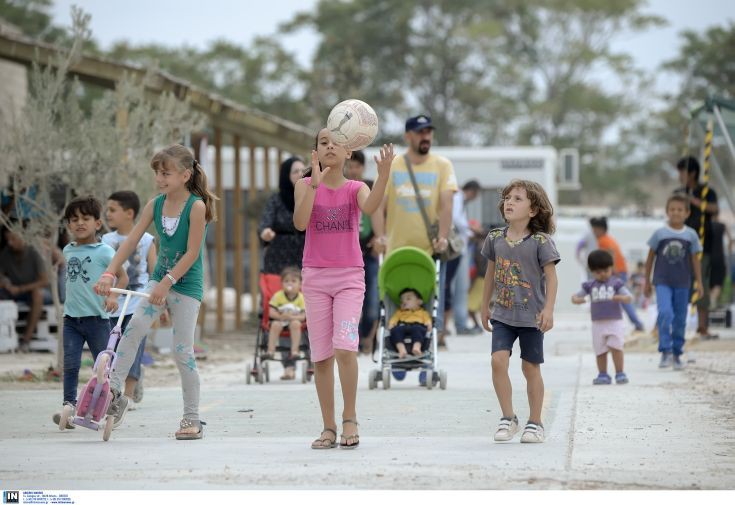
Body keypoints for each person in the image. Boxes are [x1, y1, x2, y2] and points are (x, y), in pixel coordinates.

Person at [95, 144, 217, 440]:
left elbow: (192, 253)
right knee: (134, 327)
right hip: (159, 279)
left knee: (182, 351)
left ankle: (191, 418)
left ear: (185, 175)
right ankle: (114, 393)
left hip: (185, 286)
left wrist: (168, 282)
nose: (160, 178)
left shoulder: (196, 206)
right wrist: (110, 271)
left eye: (166, 173)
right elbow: (130, 241)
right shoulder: (155, 204)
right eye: (157, 173)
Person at [293, 128, 394, 450]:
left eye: (336, 143)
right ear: (316, 152)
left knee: (345, 348)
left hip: (350, 277)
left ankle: (350, 417)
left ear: (349, 153)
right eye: (323, 143)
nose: (329, 147)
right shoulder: (303, 185)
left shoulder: (356, 188)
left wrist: (384, 173)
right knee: (321, 358)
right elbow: (300, 222)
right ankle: (328, 426)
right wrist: (313, 185)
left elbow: (371, 207)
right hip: (315, 278)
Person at [480, 179, 560, 444]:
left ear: (533, 210)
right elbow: (490, 275)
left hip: (532, 317)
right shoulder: (495, 238)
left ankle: (535, 423)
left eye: (517, 199)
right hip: (503, 314)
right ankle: (508, 417)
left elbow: (552, 278)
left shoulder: (541, 241)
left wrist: (548, 310)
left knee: (530, 368)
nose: (509, 203)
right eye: (507, 198)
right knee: (497, 361)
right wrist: (483, 307)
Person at [379, 115, 458, 347]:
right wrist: (380, 236)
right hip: (396, 251)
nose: (426, 136)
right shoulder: (394, 165)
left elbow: (447, 204)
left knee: (432, 304)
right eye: (420, 132)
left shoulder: (442, 165)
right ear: (408, 136)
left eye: (428, 132)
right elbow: (378, 205)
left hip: (429, 251)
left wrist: (442, 237)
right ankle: (395, 350)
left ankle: (428, 350)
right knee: (393, 305)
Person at [52, 196, 128, 429]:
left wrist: (113, 296)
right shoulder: (67, 250)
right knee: (71, 364)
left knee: (104, 368)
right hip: (71, 320)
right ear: (68, 225)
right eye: (74, 220)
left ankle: (116, 402)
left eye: (86, 218)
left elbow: (123, 277)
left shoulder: (105, 251)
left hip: (98, 321)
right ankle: (69, 405)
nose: (79, 223)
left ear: (98, 223)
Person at [103, 190, 157, 408]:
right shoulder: (106, 240)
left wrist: (158, 305)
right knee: (112, 347)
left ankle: (129, 394)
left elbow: (154, 272)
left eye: (112, 210)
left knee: (133, 343)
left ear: (129, 213)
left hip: (138, 300)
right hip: (114, 302)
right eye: (107, 209)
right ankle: (110, 390)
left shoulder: (147, 240)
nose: (107, 214)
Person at [259, 156, 306, 379]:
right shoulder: (277, 200)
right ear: (286, 175)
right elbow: (265, 224)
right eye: (294, 171)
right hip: (278, 258)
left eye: (301, 171)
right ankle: (289, 365)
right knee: (282, 305)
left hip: (304, 255)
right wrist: (265, 233)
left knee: (304, 307)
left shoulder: (309, 196)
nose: (299, 175)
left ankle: (311, 357)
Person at [644, 193, 703, 370]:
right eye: (672, 209)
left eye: (679, 210)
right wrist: (647, 281)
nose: (676, 213)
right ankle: (665, 351)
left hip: (683, 283)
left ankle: (677, 353)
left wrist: (699, 282)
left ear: (687, 213)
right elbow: (649, 258)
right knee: (665, 313)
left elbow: (695, 259)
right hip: (662, 281)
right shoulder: (660, 234)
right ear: (667, 211)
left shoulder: (691, 235)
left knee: (680, 319)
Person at [572, 250, 631, 385]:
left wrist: (621, 297)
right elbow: (575, 297)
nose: (602, 274)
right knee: (600, 350)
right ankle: (603, 374)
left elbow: (629, 297)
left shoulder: (616, 283)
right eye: (598, 272)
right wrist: (577, 300)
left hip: (615, 321)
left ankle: (620, 372)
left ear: (611, 268)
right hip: (597, 323)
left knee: (616, 347)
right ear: (592, 271)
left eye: (606, 270)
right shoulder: (590, 285)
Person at [345, 150, 384, 354]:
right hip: (347, 251)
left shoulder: (368, 187)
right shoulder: (342, 186)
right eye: (349, 166)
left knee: (372, 298)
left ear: (362, 167)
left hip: (367, 251)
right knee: (351, 301)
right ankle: (355, 340)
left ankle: (369, 337)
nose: (353, 170)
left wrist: (380, 238)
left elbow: (377, 211)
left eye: (356, 166)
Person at [675, 155, 718, 339]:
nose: (680, 176)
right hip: (680, 244)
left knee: (702, 283)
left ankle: (703, 327)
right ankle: (674, 323)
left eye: (682, 172)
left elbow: (714, 209)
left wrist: (694, 201)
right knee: (677, 282)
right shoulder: (679, 191)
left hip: (702, 245)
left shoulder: (706, 191)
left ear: (692, 173)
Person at [589, 216, 645, 333]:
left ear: (601, 229)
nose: (593, 232)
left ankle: (637, 323)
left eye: (595, 229)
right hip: (620, 271)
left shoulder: (603, 240)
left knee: (622, 298)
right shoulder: (608, 238)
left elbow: (610, 256)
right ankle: (635, 323)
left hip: (617, 272)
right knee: (620, 298)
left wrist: (614, 272)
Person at [0, 225, 49, 352]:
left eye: (13, 239)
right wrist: (6, 283)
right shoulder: (6, 253)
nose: (10, 243)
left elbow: (44, 281)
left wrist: (21, 289)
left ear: (22, 238)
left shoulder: (34, 252)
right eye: (8, 239)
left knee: (38, 295)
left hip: (31, 290)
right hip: (13, 290)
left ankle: (26, 340)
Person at [449, 180, 482, 335]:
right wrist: (471, 229)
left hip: (459, 248)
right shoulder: (457, 199)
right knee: (460, 288)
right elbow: (455, 219)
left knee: (456, 287)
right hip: (456, 249)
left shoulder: (459, 200)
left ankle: (458, 323)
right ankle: (461, 324)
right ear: (472, 191)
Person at [264, 266, 306, 360]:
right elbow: (271, 312)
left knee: (295, 324)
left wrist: (291, 317)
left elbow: (303, 316)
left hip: (294, 321)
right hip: (280, 320)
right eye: (286, 281)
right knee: (275, 325)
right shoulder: (278, 296)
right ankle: (270, 351)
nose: (289, 283)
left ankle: (295, 351)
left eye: (293, 281)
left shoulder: (301, 298)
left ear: (300, 285)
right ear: (282, 283)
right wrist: (280, 316)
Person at [388, 288, 432, 358]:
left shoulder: (423, 312)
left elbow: (427, 320)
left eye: (408, 299)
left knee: (419, 329)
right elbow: (394, 319)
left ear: (419, 301)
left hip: (418, 325)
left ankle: (416, 347)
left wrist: (429, 324)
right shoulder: (399, 312)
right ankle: (401, 350)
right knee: (395, 330)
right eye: (402, 301)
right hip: (402, 325)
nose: (404, 302)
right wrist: (391, 324)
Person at [708, 212, 730, 308]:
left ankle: (708, 300)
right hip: (719, 256)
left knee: (708, 280)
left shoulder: (705, 226)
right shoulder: (722, 225)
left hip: (707, 257)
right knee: (718, 281)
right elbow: (730, 240)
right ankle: (713, 300)